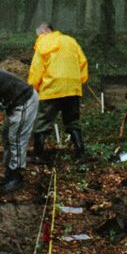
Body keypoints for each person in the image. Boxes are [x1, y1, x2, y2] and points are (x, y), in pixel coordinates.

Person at [27, 22, 88, 160]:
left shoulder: (42, 43)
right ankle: (80, 154)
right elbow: (82, 62)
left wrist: (33, 87)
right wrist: (80, 81)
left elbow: (37, 69)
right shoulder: (70, 41)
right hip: (72, 87)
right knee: (72, 121)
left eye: (38, 35)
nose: (38, 38)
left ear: (44, 31)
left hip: (51, 87)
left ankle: (38, 155)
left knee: (42, 122)